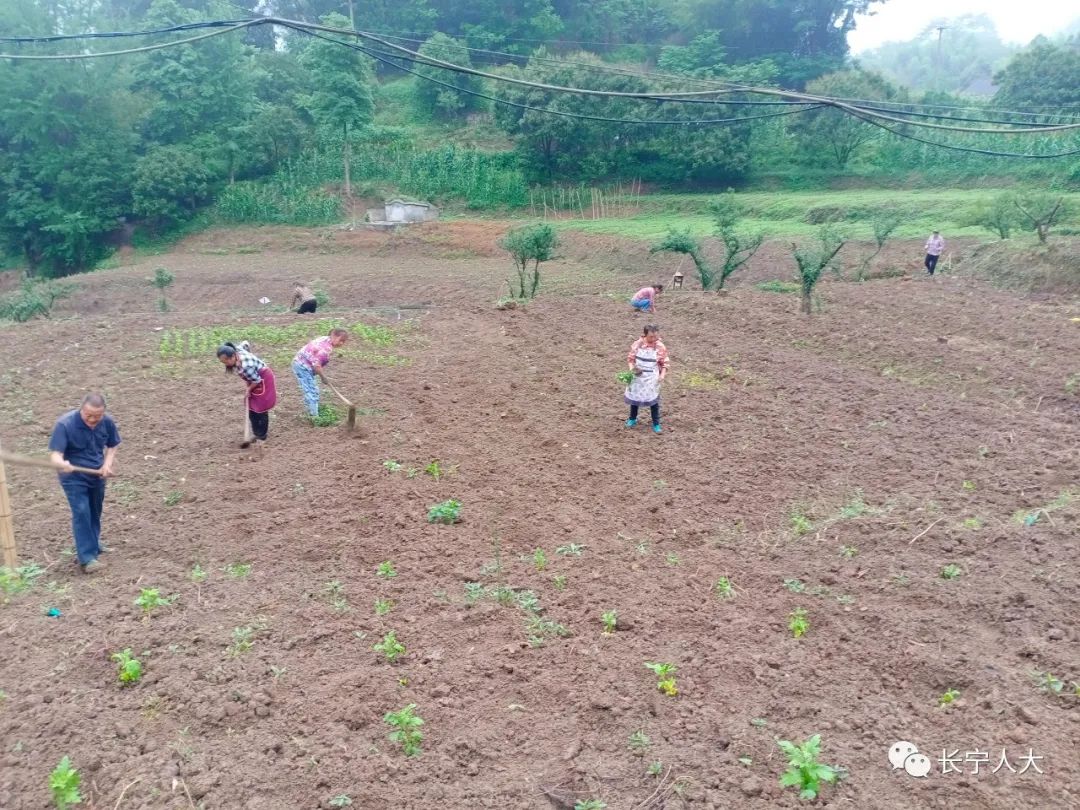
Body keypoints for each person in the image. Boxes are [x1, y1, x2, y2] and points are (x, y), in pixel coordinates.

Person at [48, 393, 121, 574]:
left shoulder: (107, 422)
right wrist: (61, 463)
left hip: (96, 474)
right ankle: (87, 558)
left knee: (95, 509)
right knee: (81, 511)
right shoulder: (65, 424)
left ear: (103, 413)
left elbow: (112, 445)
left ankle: (94, 544)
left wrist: (107, 464)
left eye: (97, 416)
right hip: (73, 477)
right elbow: (55, 454)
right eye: (88, 415)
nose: (92, 420)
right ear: (81, 409)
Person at [217, 341, 277, 443]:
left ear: (233, 356)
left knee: (261, 409)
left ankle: (262, 436)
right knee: (251, 408)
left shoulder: (246, 366)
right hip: (254, 377)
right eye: (223, 362)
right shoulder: (236, 350)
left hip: (263, 379)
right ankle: (256, 433)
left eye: (226, 362)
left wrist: (249, 389)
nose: (226, 364)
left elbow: (257, 380)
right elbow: (246, 343)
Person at [292, 327, 350, 419]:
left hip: (303, 363)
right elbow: (317, 366)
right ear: (334, 336)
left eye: (344, 341)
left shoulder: (325, 339)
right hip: (302, 367)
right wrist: (323, 377)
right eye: (341, 340)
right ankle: (314, 417)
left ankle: (311, 411)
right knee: (313, 392)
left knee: (312, 390)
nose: (342, 343)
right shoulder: (325, 349)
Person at [624, 324, 669, 434]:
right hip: (638, 376)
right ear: (645, 335)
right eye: (650, 337)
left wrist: (662, 375)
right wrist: (632, 370)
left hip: (652, 378)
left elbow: (665, 363)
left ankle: (656, 424)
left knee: (653, 401)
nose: (653, 339)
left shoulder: (660, 347)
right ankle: (632, 419)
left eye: (655, 337)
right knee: (635, 398)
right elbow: (630, 359)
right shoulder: (637, 344)